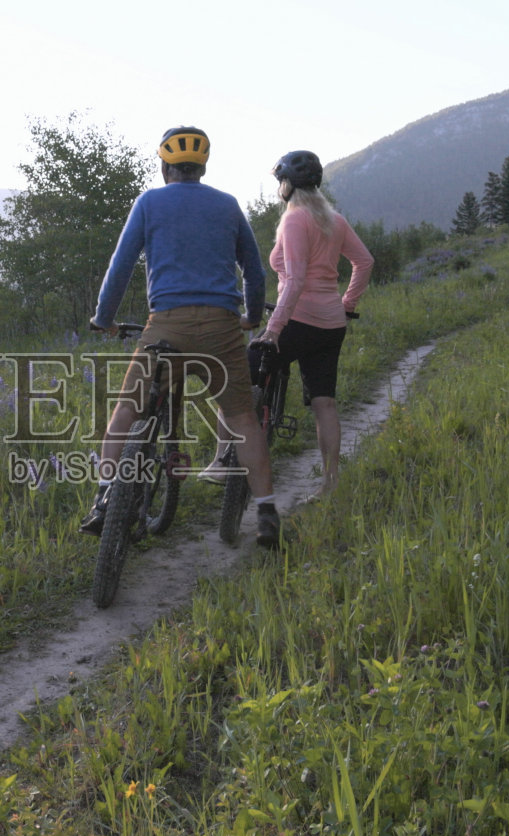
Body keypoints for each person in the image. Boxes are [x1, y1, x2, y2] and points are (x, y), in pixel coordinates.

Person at [81, 126, 281, 548]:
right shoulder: (227, 205)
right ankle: (266, 513)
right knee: (243, 420)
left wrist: (104, 318)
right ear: (201, 168)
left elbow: (120, 266)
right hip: (221, 328)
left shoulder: (149, 203)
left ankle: (104, 499)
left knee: (126, 412)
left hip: (166, 327)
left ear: (164, 167)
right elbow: (254, 270)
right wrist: (249, 316)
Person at [250, 149, 374, 501]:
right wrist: (347, 305)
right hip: (331, 325)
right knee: (325, 404)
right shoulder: (335, 220)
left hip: (297, 320)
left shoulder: (294, 220)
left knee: (242, 372)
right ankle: (330, 482)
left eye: (280, 182)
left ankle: (232, 457)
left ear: (287, 185)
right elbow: (365, 262)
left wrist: (274, 329)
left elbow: (295, 280)